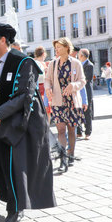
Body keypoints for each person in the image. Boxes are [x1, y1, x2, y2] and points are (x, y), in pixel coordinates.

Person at [0, 23, 56, 222]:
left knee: (14, 171)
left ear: (4, 40)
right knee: (0, 169)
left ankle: (12, 215)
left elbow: (24, 96)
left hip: (16, 128)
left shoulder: (23, 63)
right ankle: (12, 204)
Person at [45, 37, 86, 165]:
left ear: (67, 48)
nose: (56, 50)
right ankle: (63, 157)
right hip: (58, 102)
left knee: (71, 130)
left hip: (72, 102)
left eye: (59, 47)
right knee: (61, 130)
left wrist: (73, 86)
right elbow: (47, 80)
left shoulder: (76, 63)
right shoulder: (53, 63)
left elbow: (82, 81)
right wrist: (48, 88)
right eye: (55, 47)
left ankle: (71, 154)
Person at [77, 48, 94, 139]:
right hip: (78, 91)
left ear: (82, 55)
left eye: (79, 54)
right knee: (78, 111)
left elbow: (86, 79)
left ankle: (88, 132)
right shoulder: (78, 64)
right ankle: (79, 131)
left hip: (86, 91)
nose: (77, 56)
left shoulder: (89, 65)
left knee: (87, 112)